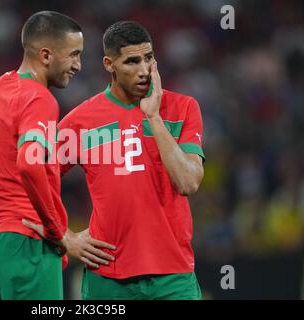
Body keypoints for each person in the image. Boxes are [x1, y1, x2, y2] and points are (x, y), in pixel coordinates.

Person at [27, 21, 205, 299]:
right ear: (109, 64)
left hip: (173, 276)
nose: (144, 70)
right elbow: (30, 178)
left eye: (149, 59)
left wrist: (154, 117)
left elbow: (188, 182)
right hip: (107, 277)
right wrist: (65, 237)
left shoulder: (182, 108)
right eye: (132, 62)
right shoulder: (80, 123)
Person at [0, 11, 91, 300]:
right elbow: (29, 164)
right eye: (73, 55)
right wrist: (57, 232)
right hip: (28, 245)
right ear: (46, 55)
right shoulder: (38, 98)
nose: (78, 65)